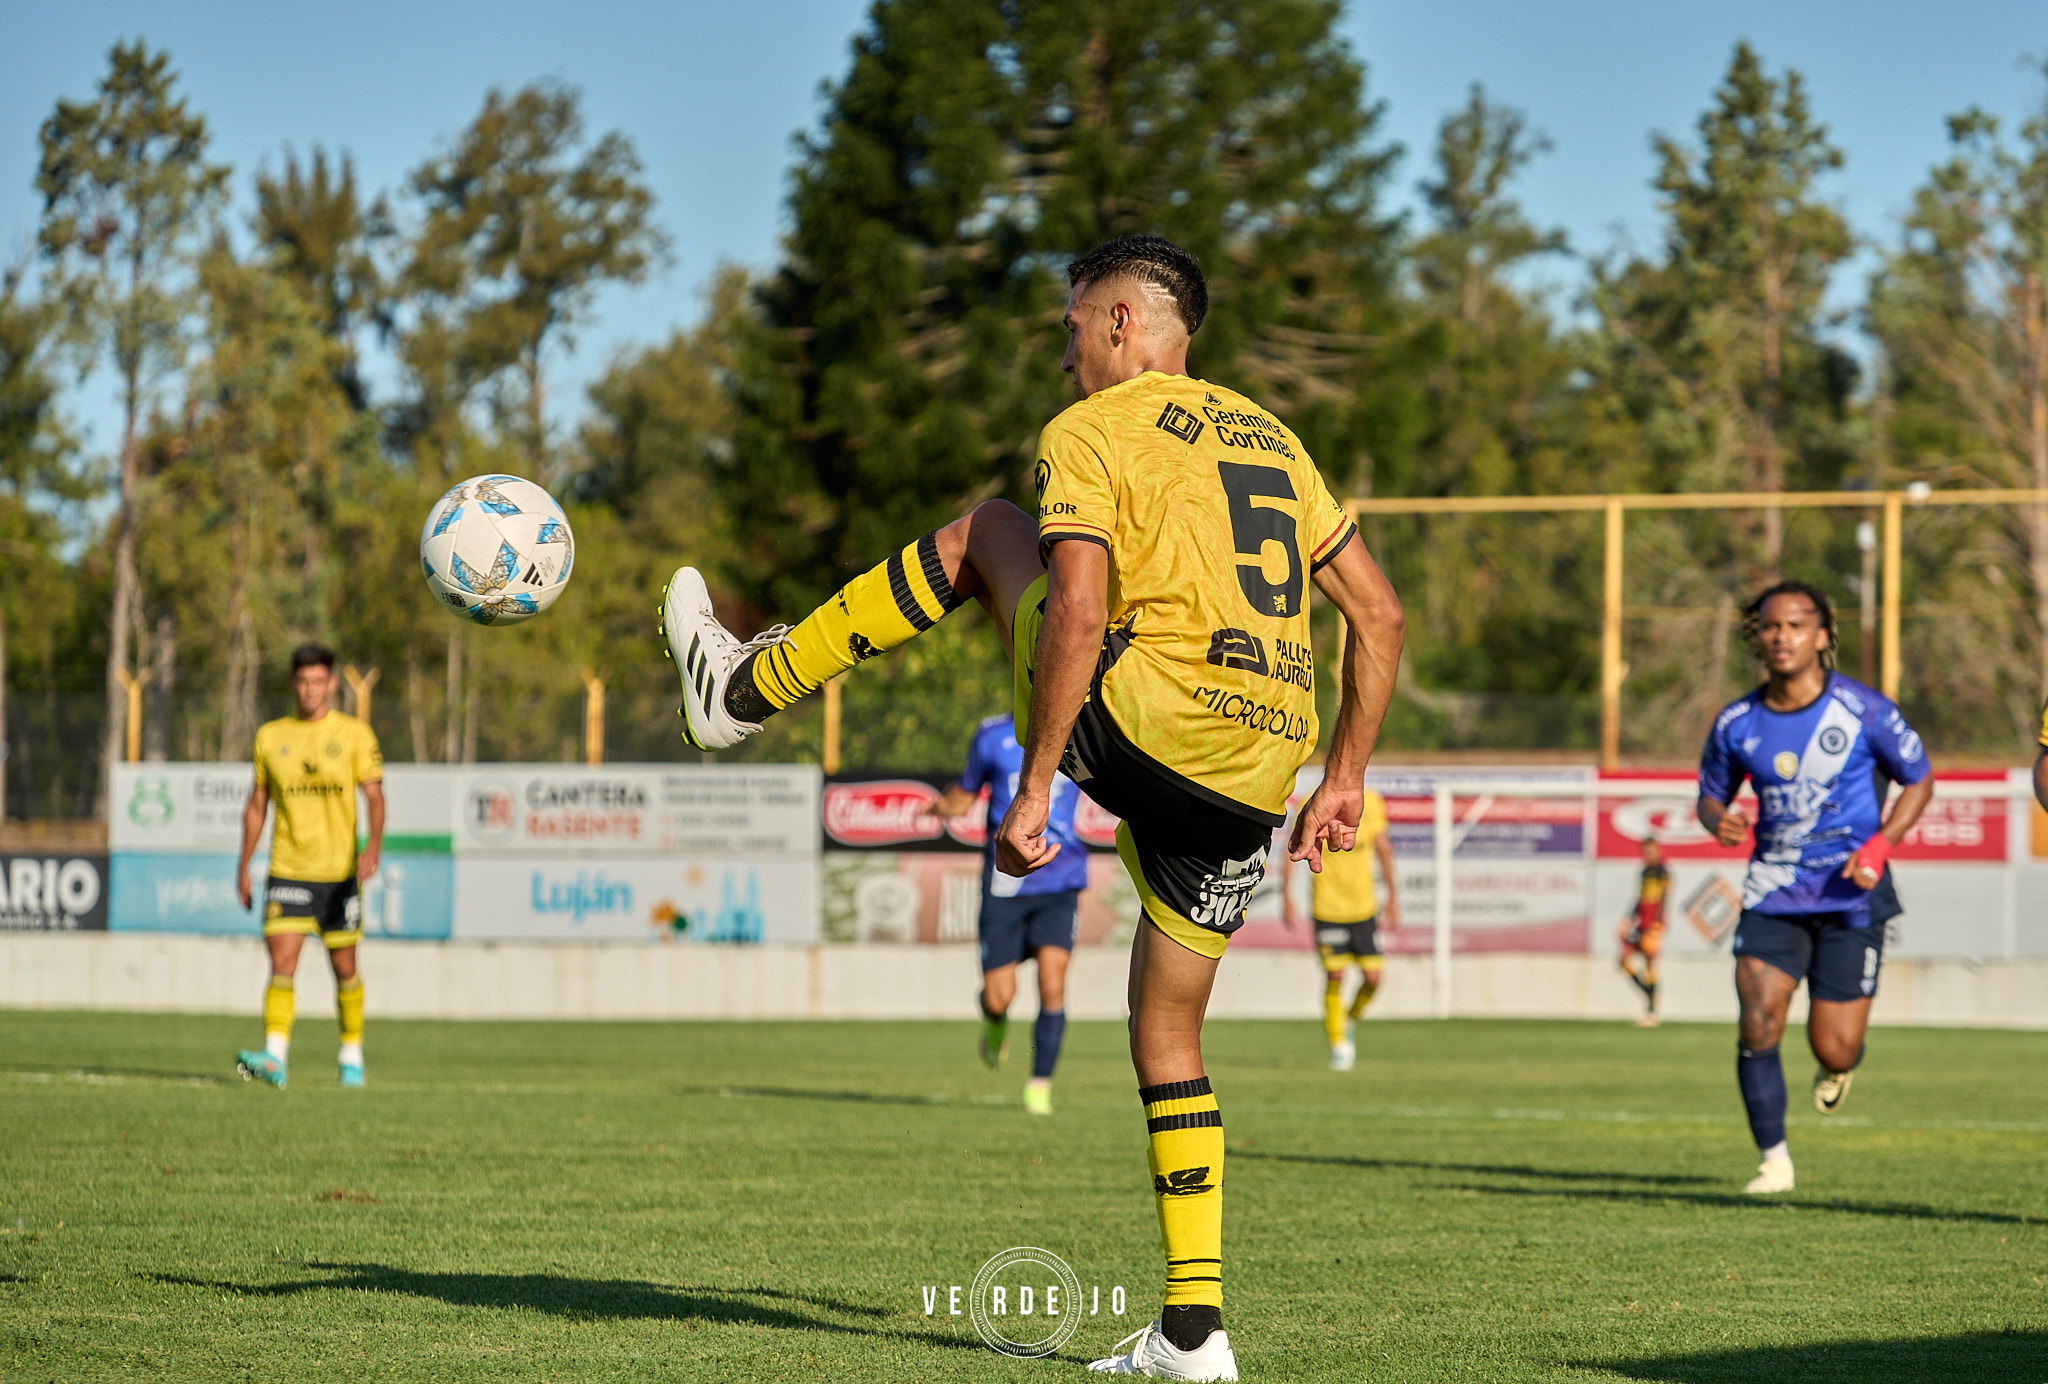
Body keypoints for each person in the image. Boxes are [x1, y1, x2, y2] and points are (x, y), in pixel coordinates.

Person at [658, 235, 1403, 1381]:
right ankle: (1195, 1336)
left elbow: (1078, 607)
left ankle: (741, 690)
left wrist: (1039, 776)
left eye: (1068, 327)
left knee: (985, 533)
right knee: (1170, 1037)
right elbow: (1381, 617)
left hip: (1139, 729)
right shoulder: (1275, 440)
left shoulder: (1093, 430)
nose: (1062, 355)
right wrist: (1341, 778)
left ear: (1117, 323)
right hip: (1256, 777)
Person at [1696, 581, 1932, 1195]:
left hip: (1853, 895)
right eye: (1772, 626)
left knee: (1836, 1046)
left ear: (1822, 636)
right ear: (1759, 637)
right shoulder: (1737, 722)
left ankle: (1837, 1066)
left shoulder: (1863, 710)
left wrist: (1881, 845)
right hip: (1774, 890)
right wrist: (1714, 817)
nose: (1783, 636)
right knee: (1758, 1019)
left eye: (1797, 625)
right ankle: (1773, 1160)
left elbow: (1920, 779)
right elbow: (1710, 794)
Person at [233, 645, 385, 1090]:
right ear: (293, 684)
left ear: (332, 683)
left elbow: (375, 797)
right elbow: (256, 805)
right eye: (303, 682)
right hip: (287, 868)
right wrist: (243, 865)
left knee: (345, 968)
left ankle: (351, 1054)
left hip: (339, 875)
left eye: (318, 681)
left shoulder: (355, 735)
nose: (310, 690)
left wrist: (373, 845)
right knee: (282, 960)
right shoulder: (270, 736)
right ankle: (275, 1056)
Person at [935, 713, 1087, 1114]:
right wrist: (942, 806)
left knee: (1052, 983)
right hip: (1005, 884)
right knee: (1001, 997)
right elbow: (965, 794)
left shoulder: (1082, 726)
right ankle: (994, 1019)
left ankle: (1040, 1085)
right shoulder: (992, 735)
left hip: (1061, 880)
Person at [1280, 784, 1397, 1070]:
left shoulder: (1372, 801)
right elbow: (1294, 845)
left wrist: (1393, 895)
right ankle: (1338, 1045)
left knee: (1373, 978)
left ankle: (1349, 1019)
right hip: (1327, 907)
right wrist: (1285, 893)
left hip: (1363, 908)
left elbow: (1383, 848)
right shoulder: (1310, 800)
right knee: (1335, 974)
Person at [1617, 838, 1668, 1026]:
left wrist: (1658, 924)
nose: (1649, 855)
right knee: (1623, 961)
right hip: (1640, 926)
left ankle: (1651, 1011)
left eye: (1652, 851)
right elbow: (1639, 899)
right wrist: (1628, 920)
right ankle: (1649, 995)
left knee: (1649, 966)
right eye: (1646, 851)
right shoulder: (1644, 873)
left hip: (1653, 926)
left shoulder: (1662, 872)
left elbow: (1664, 900)